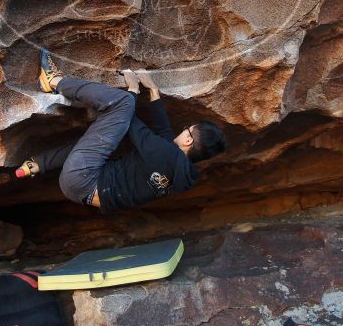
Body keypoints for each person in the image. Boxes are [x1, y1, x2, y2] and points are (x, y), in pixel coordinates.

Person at [13, 49, 226, 212]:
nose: (182, 131)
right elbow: (163, 134)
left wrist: (132, 90)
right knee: (100, 141)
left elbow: (128, 121)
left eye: (186, 130)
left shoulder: (165, 154)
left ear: (188, 141)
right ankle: (37, 164)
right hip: (80, 190)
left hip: (82, 177)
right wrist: (153, 90)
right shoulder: (178, 170)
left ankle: (52, 80)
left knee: (122, 103)